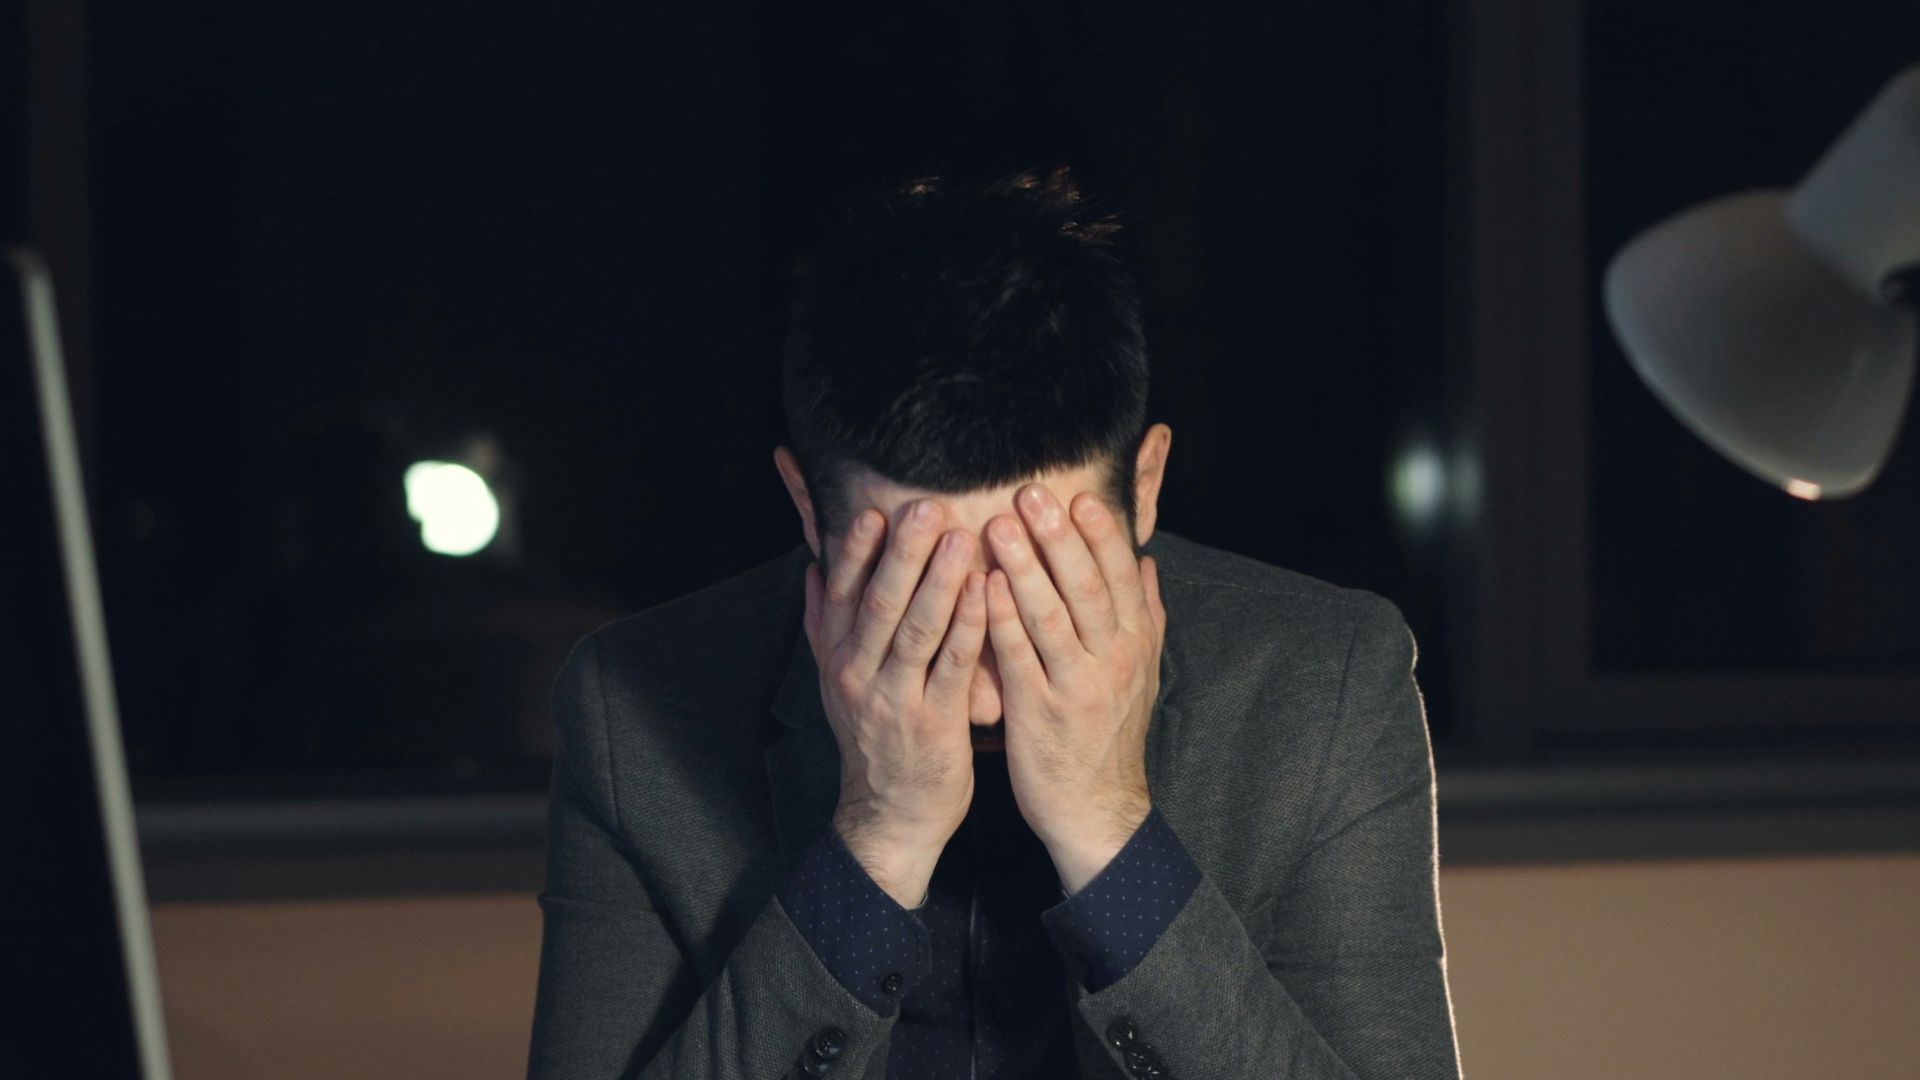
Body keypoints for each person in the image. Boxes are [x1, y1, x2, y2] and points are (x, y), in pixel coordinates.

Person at [526, 166, 1462, 1079]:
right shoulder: (633, 708)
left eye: (1035, 575)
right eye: (916, 584)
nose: (976, 665)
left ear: (1143, 489)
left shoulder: (1326, 682)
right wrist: (875, 840)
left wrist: (1112, 832)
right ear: (808, 511)